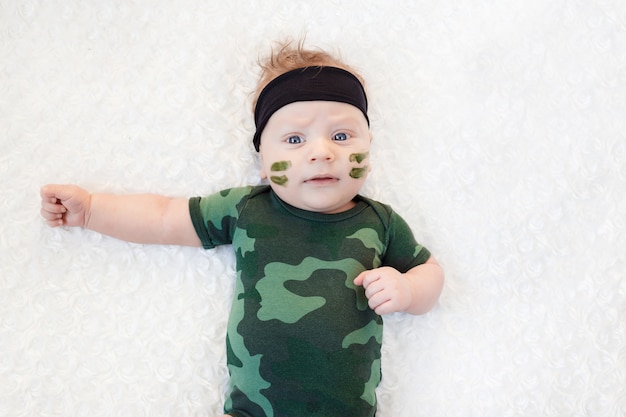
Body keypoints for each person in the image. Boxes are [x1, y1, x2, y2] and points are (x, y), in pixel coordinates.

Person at [40, 40, 444, 417]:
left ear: (368, 147)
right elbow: (164, 218)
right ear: (264, 162)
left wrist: (408, 290)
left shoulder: (379, 221)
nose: (322, 152)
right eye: (294, 139)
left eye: (341, 135)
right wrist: (92, 210)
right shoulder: (248, 208)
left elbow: (430, 273)